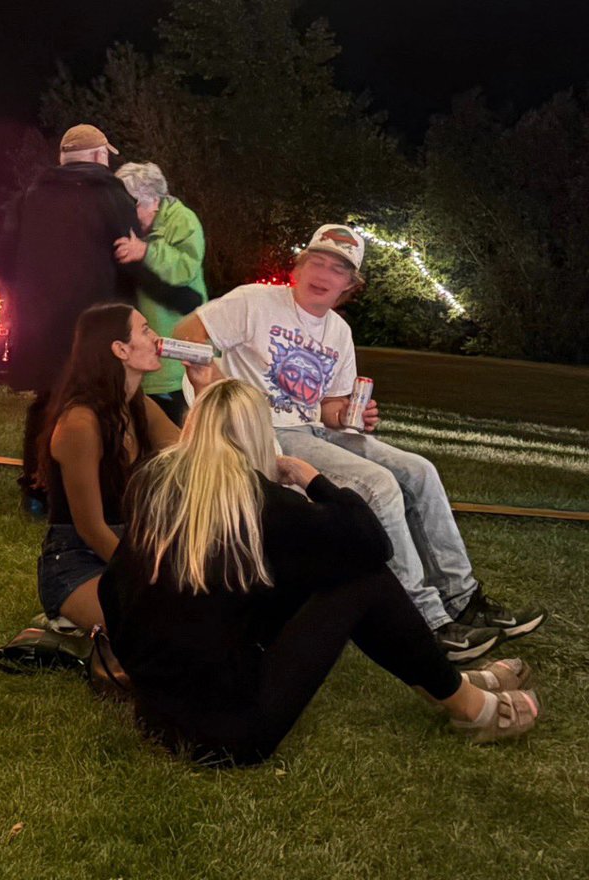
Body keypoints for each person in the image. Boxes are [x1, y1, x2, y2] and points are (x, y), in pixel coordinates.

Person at [99, 378, 542, 766]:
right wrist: (312, 479)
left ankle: (446, 682)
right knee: (362, 581)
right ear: (258, 435)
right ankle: (465, 703)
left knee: (318, 570)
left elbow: (111, 589)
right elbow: (373, 545)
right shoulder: (266, 504)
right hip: (230, 734)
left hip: (155, 715)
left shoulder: (152, 486)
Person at [169, 223, 545, 662]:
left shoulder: (338, 332)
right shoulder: (254, 302)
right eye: (317, 261)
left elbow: (328, 408)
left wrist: (352, 415)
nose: (324, 273)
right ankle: (427, 622)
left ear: (350, 284)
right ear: (299, 265)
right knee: (379, 485)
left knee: (419, 470)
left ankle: (463, 599)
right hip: (267, 434)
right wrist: (224, 401)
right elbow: (187, 332)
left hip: (316, 431)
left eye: (338, 269)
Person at [8, 124, 141, 508]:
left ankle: (37, 488)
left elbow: (7, 249)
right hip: (97, 318)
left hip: (42, 317)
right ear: (100, 156)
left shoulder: (32, 195)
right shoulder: (114, 196)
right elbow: (128, 255)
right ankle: (99, 487)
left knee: (48, 398)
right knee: (101, 400)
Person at [37, 303, 180, 631]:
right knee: (156, 629)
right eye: (145, 330)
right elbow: (91, 529)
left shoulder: (139, 407)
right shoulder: (80, 423)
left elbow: (196, 457)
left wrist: (202, 384)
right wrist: (147, 577)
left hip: (130, 549)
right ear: (120, 349)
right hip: (77, 561)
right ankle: (67, 622)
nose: (157, 338)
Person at [114, 161, 208, 423]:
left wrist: (145, 251)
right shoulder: (135, 227)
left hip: (175, 342)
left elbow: (185, 267)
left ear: (154, 200)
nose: (129, 214)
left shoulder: (183, 220)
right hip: (141, 341)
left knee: (175, 419)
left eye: (134, 205)